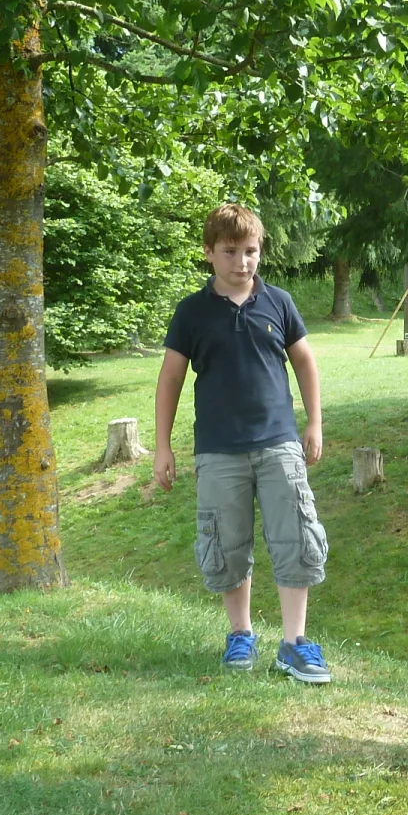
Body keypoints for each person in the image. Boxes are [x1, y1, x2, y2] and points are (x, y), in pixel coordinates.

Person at [153, 203, 332, 684]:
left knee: (295, 537)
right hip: (217, 451)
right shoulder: (191, 312)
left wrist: (313, 423)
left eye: (251, 251)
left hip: (279, 445)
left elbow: (306, 363)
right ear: (209, 253)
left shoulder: (279, 302)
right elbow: (170, 378)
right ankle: (241, 636)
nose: (242, 262)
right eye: (231, 252)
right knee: (227, 545)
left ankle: (295, 644)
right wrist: (162, 446)